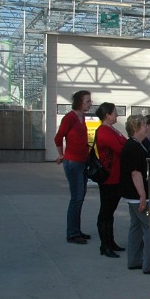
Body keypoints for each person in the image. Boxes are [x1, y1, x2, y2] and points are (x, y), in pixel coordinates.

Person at [54, 90, 92, 244]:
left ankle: (76, 230)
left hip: (82, 162)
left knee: (80, 197)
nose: (90, 103)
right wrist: (61, 154)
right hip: (73, 163)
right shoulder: (70, 117)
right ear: (79, 102)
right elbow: (58, 137)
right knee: (76, 198)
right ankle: (72, 233)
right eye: (87, 101)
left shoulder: (82, 117)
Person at [93, 102, 127, 258]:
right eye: (115, 113)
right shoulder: (104, 131)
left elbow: (124, 145)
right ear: (107, 115)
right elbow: (121, 148)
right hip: (109, 178)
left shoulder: (112, 130)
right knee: (106, 212)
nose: (117, 115)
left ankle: (110, 242)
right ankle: (104, 244)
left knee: (109, 212)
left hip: (116, 176)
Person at [119, 115, 150, 275]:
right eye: (144, 125)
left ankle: (134, 260)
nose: (147, 127)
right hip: (136, 194)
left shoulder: (137, 145)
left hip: (131, 194)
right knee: (149, 227)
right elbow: (135, 173)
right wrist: (142, 195)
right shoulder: (133, 147)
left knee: (136, 226)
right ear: (136, 128)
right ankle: (148, 264)